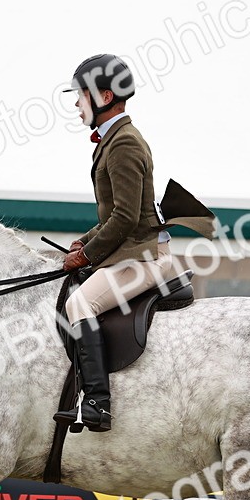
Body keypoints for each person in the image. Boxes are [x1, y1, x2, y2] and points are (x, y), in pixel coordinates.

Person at [54, 53, 179, 433]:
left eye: (81, 96)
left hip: (143, 256)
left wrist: (88, 255)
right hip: (131, 248)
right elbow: (119, 214)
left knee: (81, 302)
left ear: (105, 97)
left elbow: (126, 218)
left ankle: (97, 401)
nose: (77, 104)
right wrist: (85, 241)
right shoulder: (113, 140)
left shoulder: (124, 143)